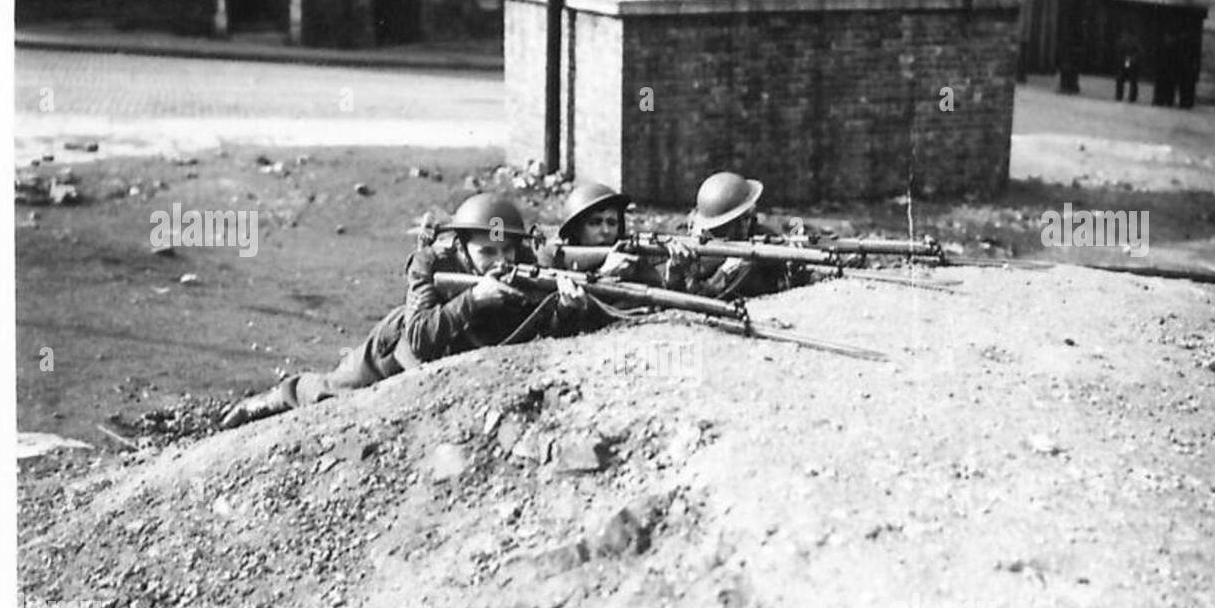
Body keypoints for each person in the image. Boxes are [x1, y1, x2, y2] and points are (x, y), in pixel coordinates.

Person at [219, 193, 595, 428]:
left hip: (457, 362)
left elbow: (539, 330)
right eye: (487, 253)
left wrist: (565, 308)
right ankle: (277, 397)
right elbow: (420, 338)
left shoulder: (524, 264)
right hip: (396, 351)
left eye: (507, 251)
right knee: (334, 396)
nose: (501, 261)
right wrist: (475, 299)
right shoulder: (430, 262)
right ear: (462, 248)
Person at [676, 171, 812, 301]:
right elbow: (696, 296)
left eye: (749, 215)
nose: (747, 223)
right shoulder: (693, 245)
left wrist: (792, 265)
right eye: (744, 217)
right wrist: (724, 273)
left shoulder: (759, 234)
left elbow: (783, 278)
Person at [537, 181, 696, 290]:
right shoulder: (553, 260)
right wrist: (603, 275)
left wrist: (674, 276)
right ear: (576, 229)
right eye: (595, 223)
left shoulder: (628, 258)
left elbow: (663, 300)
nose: (606, 230)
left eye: (612, 223)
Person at [1114, 31, 1141, 103]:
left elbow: (1138, 53)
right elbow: (1119, 53)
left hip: (1130, 62)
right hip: (1125, 62)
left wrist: (1132, 59)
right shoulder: (1121, 43)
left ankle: (1131, 97)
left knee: (1132, 80)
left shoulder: (1134, 43)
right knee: (1121, 79)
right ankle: (1119, 96)